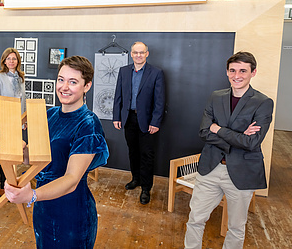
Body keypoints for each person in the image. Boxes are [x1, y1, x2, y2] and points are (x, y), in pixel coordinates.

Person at [4, 55, 109, 248]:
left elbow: (71, 179)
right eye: (61, 79)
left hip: (71, 211)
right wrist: (21, 151)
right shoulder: (50, 114)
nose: (64, 87)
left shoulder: (88, 123)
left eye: (73, 82)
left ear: (87, 86)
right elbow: (37, 159)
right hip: (44, 208)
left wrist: (32, 195)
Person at [184, 52, 273, 249]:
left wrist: (220, 129)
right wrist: (239, 135)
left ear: (253, 72)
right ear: (227, 72)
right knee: (195, 219)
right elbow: (204, 132)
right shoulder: (216, 97)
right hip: (211, 167)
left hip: (242, 172)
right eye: (232, 70)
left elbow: (252, 143)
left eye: (243, 70)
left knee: (236, 227)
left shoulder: (263, 102)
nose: (237, 75)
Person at [112, 41, 165, 204]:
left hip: (147, 121)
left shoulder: (156, 73)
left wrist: (155, 122)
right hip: (128, 118)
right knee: (133, 152)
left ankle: (146, 188)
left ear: (147, 54)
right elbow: (118, 96)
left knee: (147, 155)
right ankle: (136, 179)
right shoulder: (124, 71)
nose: (138, 55)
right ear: (131, 53)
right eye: (135, 52)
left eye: (142, 52)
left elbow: (160, 100)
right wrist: (116, 117)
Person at [0, 47, 26, 196]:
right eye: (9, 59)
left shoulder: (21, 77)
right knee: (5, 154)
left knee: (15, 153)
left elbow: (23, 101)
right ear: (4, 61)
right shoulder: (0, 77)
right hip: (5, 121)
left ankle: (12, 183)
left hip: (17, 121)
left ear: (17, 61)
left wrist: (23, 121)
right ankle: (3, 184)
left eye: (14, 58)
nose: (11, 61)